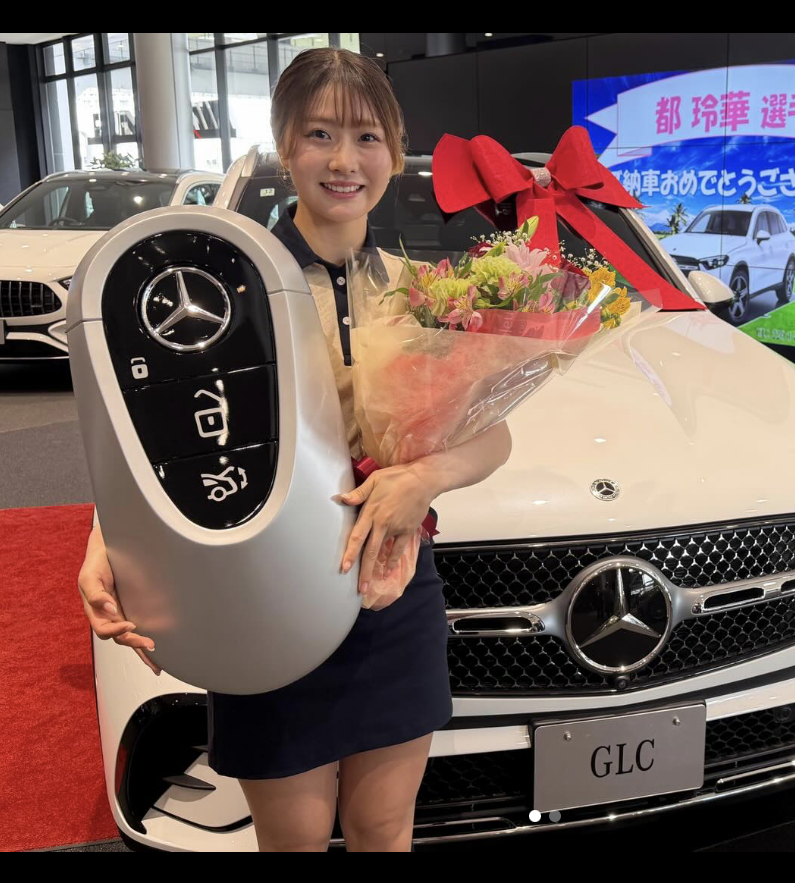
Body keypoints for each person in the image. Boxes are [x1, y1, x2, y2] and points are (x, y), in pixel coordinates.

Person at [74, 47, 514, 852]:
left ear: (395, 150)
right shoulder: (223, 286)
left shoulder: (424, 294)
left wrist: (425, 477)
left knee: (384, 828)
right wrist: (107, 542)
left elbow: (495, 433)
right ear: (285, 147)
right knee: (294, 838)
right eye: (319, 134)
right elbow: (163, 428)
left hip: (392, 590)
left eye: (367, 137)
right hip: (262, 589)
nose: (344, 160)